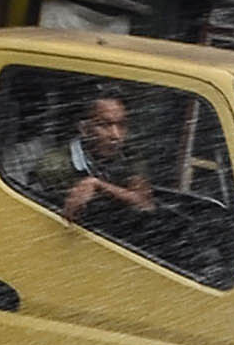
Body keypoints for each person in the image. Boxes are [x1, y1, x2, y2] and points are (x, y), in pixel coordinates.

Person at [56, 91, 159, 240]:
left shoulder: (129, 155)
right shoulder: (59, 164)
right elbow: (64, 215)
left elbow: (145, 203)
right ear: (84, 129)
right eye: (105, 125)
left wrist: (98, 186)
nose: (115, 135)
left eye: (121, 125)